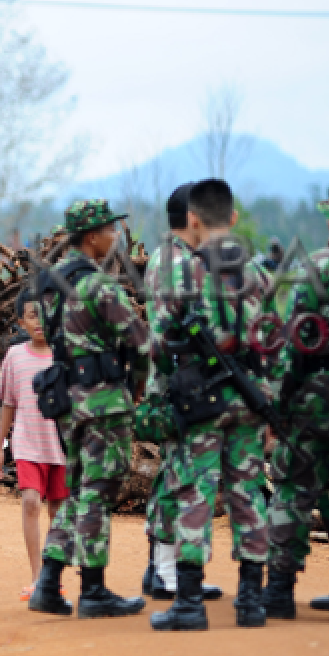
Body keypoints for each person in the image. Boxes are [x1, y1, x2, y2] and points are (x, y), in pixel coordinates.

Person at [149, 179, 275, 632]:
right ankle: (252, 603)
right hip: (248, 399)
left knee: (195, 493)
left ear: (195, 220)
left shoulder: (184, 271)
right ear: (235, 218)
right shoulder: (260, 274)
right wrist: (266, 401)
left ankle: (188, 603)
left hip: (201, 402)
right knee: (247, 493)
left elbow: (161, 342)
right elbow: (274, 342)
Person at [31, 200, 150, 620]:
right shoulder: (99, 285)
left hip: (68, 402)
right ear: (91, 236)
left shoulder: (51, 284)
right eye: (110, 230)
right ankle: (94, 590)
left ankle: (48, 581)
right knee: (99, 492)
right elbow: (139, 343)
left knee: (81, 490)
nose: (115, 236)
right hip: (103, 403)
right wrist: (137, 387)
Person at [261, 180, 329, 620]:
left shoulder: (322, 266)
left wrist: (277, 402)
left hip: (315, 394)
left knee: (293, 489)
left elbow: (295, 338)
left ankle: (280, 590)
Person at [137, 185, 223, 603]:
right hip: (184, 385)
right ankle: (170, 574)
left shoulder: (163, 257)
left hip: (169, 382)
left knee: (173, 474)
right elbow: (186, 330)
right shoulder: (183, 263)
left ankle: (161, 568)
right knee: (189, 480)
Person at [0, 286, 67, 603]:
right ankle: (37, 576)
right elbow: (8, 403)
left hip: (61, 445)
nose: (40, 322)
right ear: (21, 323)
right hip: (27, 442)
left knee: (58, 510)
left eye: (45, 315)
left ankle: (53, 576)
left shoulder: (65, 356)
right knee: (31, 503)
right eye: (32, 316)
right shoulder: (15, 356)